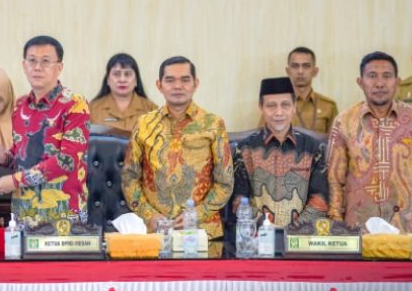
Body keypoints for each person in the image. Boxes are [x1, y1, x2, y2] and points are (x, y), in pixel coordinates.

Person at [327, 51, 412, 246]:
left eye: (387, 76)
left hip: (408, 234)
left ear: (397, 81)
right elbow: (334, 182)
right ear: (360, 82)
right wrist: (338, 232)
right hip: (357, 234)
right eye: (372, 76)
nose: (379, 83)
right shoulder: (344, 122)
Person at [121, 56, 233, 239]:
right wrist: (149, 215)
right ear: (159, 85)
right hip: (156, 232)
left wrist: (198, 214)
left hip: (202, 233)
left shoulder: (213, 124)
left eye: (185, 80)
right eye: (170, 80)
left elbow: (225, 182)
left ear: (195, 84)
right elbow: (129, 178)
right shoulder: (144, 124)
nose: (178, 86)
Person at [0, 36, 90, 226]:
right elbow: (24, 156)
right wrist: (6, 158)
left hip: (63, 213)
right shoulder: (19, 106)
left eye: (45, 61)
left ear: (59, 67)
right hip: (24, 211)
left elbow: (67, 160)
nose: (37, 67)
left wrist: (16, 180)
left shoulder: (75, 104)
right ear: (24, 65)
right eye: (32, 60)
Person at [233, 77, 328, 227]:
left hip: (300, 235)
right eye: (271, 106)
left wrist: (293, 229)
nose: (279, 112)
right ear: (261, 107)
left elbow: (320, 201)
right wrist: (266, 226)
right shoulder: (245, 149)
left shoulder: (313, 148)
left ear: (294, 106)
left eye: (285, 105)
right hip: (256, 234)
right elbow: (238, 201)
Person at [89, 53, 157, 132]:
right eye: (116, 74)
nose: (122, 79)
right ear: (108, 80)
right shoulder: (92, 109)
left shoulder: (152, 110)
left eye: (127, 74)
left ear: (136, 80)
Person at [278, 47, 339, 134]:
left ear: (315, 71)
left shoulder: (329, 106)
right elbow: (262, 138)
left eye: (306, 66)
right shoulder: (275, 105)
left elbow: (335, 140)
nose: (300, 71)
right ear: (288, 71)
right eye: (295, 66)